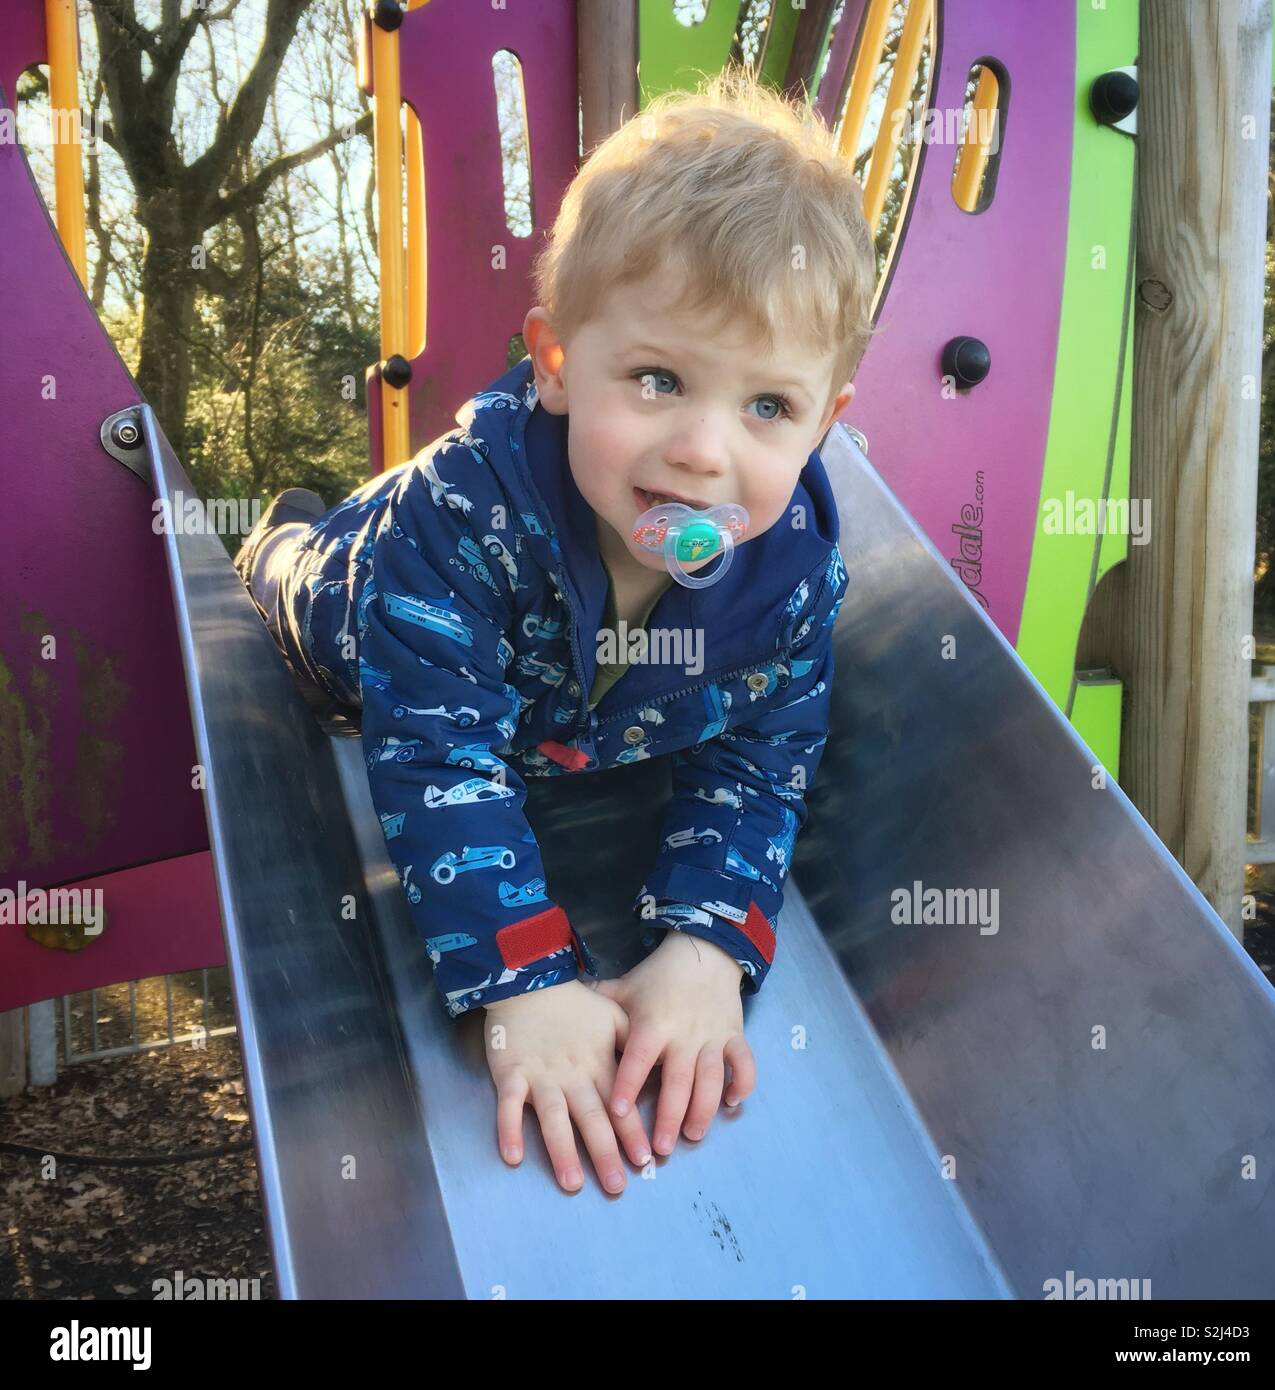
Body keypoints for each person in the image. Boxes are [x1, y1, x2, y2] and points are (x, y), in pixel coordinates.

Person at [234, 68, 873, 1197]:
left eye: (767, 407)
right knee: (300, 587)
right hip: (365, 604)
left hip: (558, 703)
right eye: (660, 379)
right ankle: (279, 531)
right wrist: (524, 981)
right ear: (559, 361)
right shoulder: (460, 527)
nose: (702, 451)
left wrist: (708, 943)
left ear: (828, 419)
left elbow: (760, 757)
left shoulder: (790, 581)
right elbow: (437, 758)